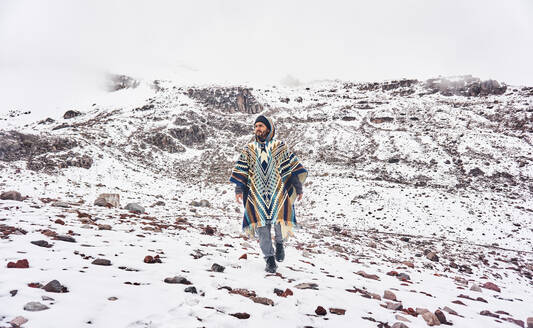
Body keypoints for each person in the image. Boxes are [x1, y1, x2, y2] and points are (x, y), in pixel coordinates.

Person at [230, 115, 307, 273]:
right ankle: (269, 259)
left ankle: (279, 243)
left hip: (278, 194)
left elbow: (290, 170)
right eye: (256, 126)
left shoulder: (280, 147)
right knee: (262, 228)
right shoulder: (249, 149)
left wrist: (298, 188)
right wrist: (238, 189)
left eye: (261, 126)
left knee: (280, 222)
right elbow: (242, 171)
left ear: (269, 128)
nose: (258, 128)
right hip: (256, 196)